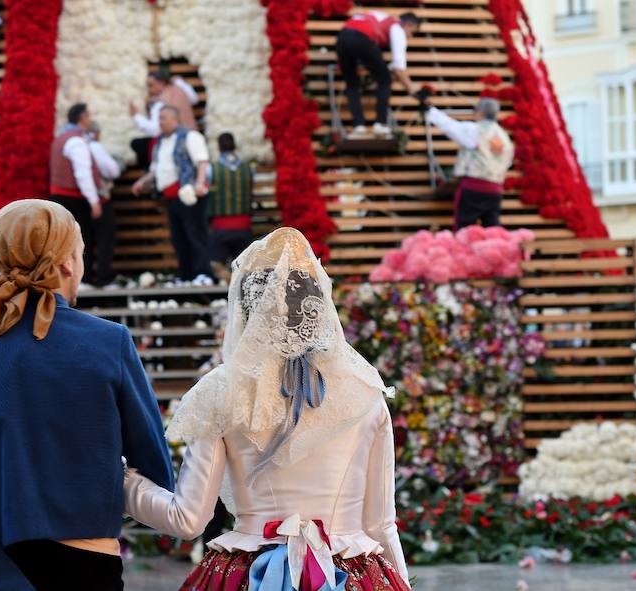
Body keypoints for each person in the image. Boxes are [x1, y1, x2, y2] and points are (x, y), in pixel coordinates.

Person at [123, 227, 411, 591]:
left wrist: (121, 483)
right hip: (350, 576)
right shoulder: (364, 393)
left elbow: (187, 519)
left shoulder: (223, 390)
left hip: (249, 573)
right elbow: (380, 524)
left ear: (246, 312)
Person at [0, 199, 174, 591]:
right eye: (82, 253)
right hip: (89, 566)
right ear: (66, 262)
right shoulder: (109, 342)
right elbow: (154, 467)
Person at [132, 106, 213, 285]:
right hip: (170, 196)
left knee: (196, 234)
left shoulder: (190, 136)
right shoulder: (159, 141)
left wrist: (199, 183)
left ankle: (203, 273)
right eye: (159, 118)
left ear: (175, 119)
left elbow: (202, 161)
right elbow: (155, 168)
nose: (161, 122)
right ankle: (186, 274)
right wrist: (142, 182)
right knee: (178, 237)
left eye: (164, 118)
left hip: (189, 193)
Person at [423, 96, 514, 230]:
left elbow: (450, 127)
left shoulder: (475, 130)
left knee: (464, 230)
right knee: (492, 230)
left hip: (473, 187)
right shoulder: (504, 137)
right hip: (495, 190)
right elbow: (508, 162)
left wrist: (430, 110)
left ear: (481, 113)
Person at [49, 103, 113, 288]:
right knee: (79, 240)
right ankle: (83, 281)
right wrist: (94, 201)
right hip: (73, 198)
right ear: (83, 118)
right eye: (89, 116)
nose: (90, 119)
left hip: (62, 197)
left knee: (73, 240)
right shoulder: (76, 141)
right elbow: (82, 173)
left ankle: (80, 281)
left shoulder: (61, 137)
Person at [336, 11, 420, 138]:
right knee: (385, 80)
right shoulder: (397, 27)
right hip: (362, 38)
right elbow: (399, 66)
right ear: (407, 25)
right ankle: (380, 125)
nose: (411, 37)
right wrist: (412, 89)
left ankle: (358, 127)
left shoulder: (380, 18)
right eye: (413, 32)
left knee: (352, 83)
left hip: (342, 38)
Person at [207, 132, 254, 282]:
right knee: (244, 266)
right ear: (235, 146)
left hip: (221, 228)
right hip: (244, 226)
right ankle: (239, 288)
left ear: (219, 147)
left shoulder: (211, 169)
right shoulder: (249, 168)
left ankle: (230, 285)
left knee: (215, 263)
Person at [129, 71, 199, 168]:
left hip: (176, 143)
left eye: (151, 85)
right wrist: (180, 82)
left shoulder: (159, 102)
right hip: (193, 136)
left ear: (161, 83)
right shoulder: (180, 88)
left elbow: (154, 130)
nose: (149, 89)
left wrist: (136, 116)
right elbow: (194, 99)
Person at [88, 121, 123, 288]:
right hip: (99, 198)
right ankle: (104, 278)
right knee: (105, 240)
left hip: (80, 200)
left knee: (85, 241)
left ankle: (85, 279)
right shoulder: (94, 146)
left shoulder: (73, 144)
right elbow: (112, 170)